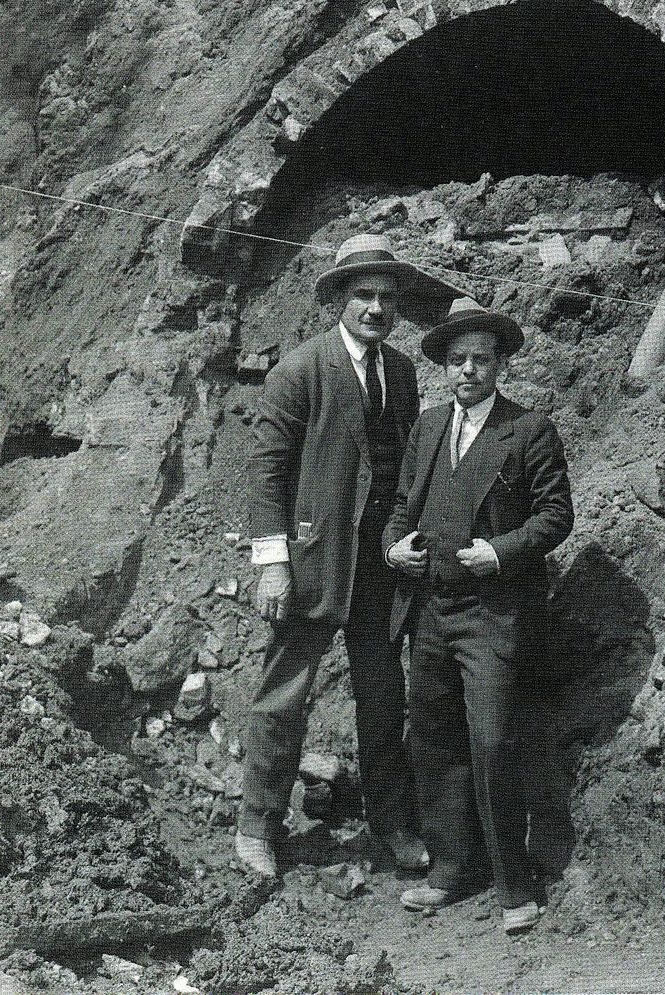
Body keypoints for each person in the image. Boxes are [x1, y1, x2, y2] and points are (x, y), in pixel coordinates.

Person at [236, 234, 459, 879]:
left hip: (378, 568)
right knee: (285, 695)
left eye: (387, 298)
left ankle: (391, 822)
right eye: (363, 294)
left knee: (384, 698)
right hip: (311, 562)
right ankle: (257, 825)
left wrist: (405, 540)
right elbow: (267, 467)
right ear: (339, 298)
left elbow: (404, 471)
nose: (375, 309)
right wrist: (272, 559)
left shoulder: (404, 375)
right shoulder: (301, 369)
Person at [385, 297, 574, 936]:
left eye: (481, 360)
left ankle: (514, 882)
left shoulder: (528, 430)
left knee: (492, 741)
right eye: (457, 360)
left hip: (491, 614)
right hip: (430, 610)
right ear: (443, 367)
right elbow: (402, 501)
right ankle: (449, 868)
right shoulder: (429, 426)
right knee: (434, 736)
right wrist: (393, 546)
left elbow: (555, 516)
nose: (468, 371)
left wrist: (501, 551)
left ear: (500, 366)